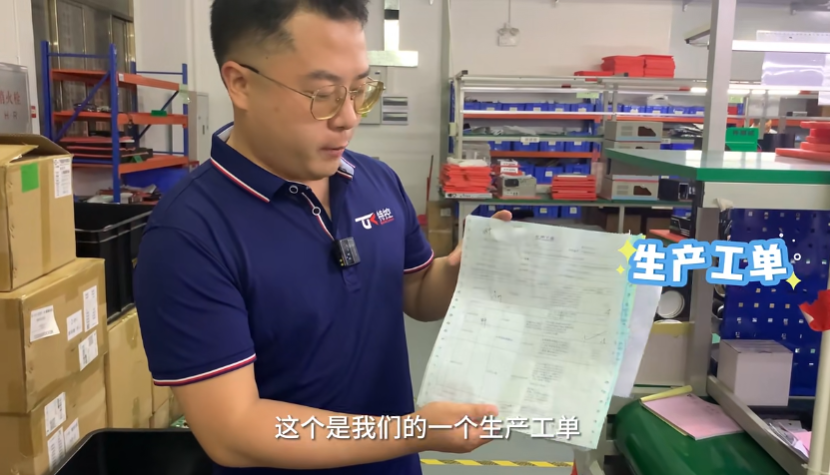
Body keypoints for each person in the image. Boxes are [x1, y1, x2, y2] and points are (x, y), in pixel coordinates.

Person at [133, 1, 512, 474]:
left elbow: (417, 291)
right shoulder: (188, 235)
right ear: (240, 83)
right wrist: (412, 431)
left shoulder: (376, 180)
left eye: (360, 90)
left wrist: (460, 270)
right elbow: (234, 432)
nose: (348, 117)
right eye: (324, 94)